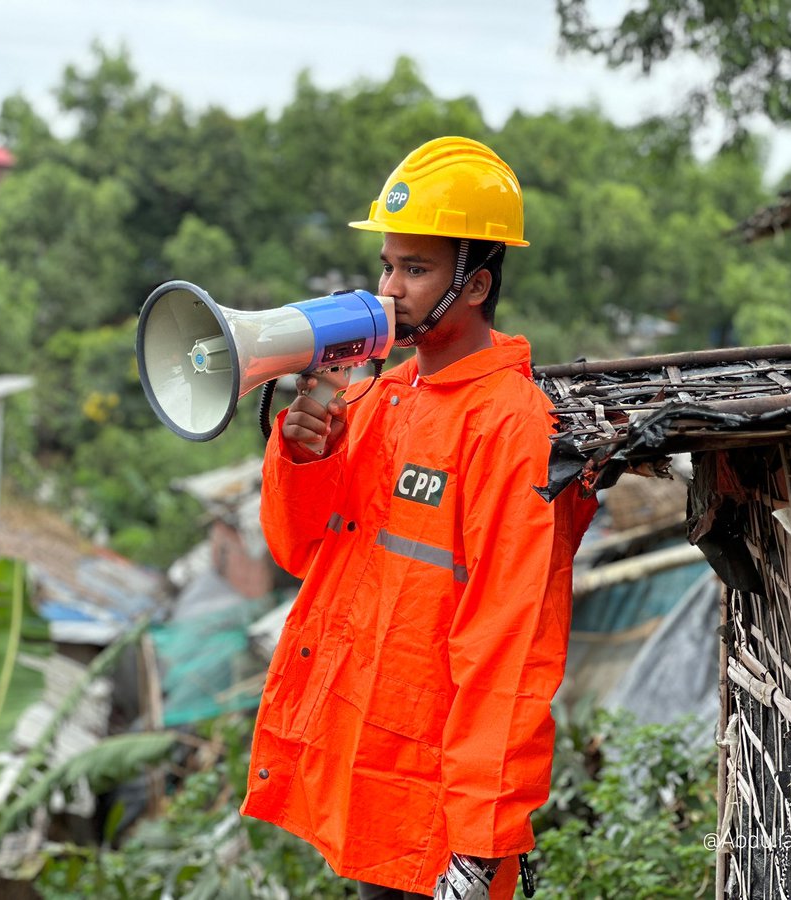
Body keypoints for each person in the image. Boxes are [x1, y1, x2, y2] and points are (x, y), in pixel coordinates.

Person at [240, 136, 597, 900]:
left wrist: (478, 846)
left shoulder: (510, 425)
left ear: (476, 286)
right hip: (371, 797)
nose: (389, 287)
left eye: (416, 268)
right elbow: (302, 551)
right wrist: (303, 456)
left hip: (443, 818)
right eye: (388, 264)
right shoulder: (381, 398)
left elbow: (510, 649)